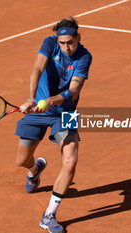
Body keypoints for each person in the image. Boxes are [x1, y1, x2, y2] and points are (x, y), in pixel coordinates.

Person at [15, 17, 92, 233]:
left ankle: (49, 215)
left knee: (71, 160)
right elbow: (37, 69)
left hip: (65, 112)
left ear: (78, 38)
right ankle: (35, 169)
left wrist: (49, 101)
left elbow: (73, 91)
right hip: (38, 111)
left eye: (71, 42)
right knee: (21, 160)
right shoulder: (49, 43)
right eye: (63, 43)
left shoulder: (84, 57)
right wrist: (31, 98)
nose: (67, 47)